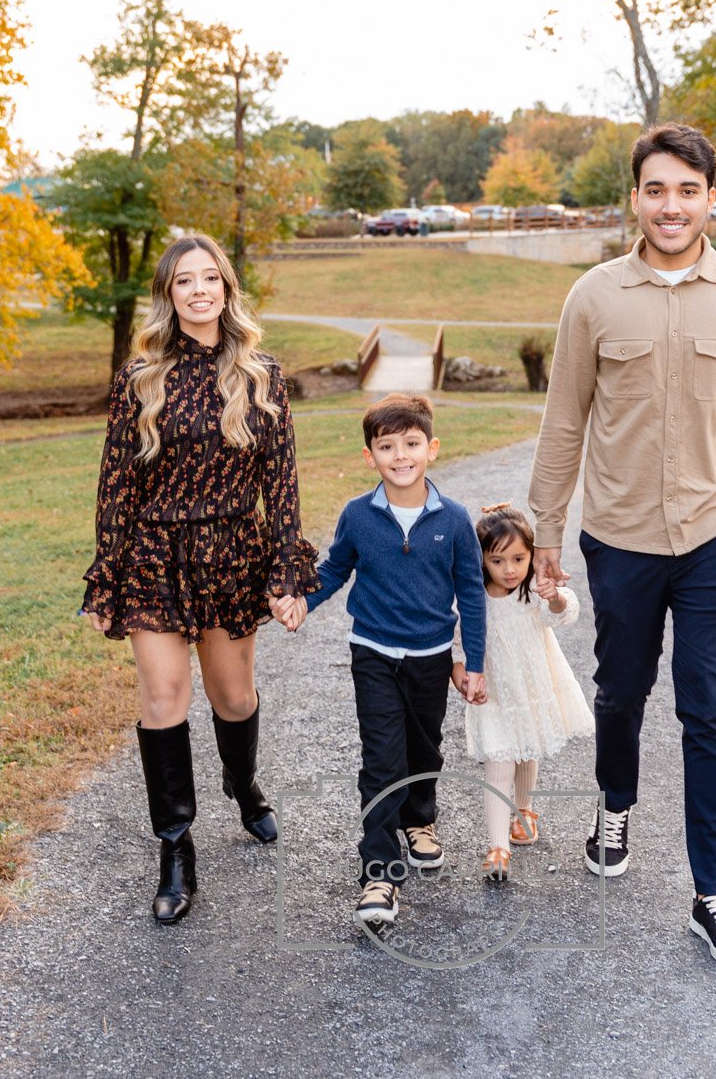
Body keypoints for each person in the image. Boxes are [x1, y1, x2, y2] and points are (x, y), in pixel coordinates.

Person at [529, 123, 716, 971]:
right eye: (656, 189)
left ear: (711, 197)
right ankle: (615, 804)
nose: (671, 206)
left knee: (710, 708)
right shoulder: (595, 298)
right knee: (621, 691)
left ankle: (714, 892)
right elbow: (563, 420)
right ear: (635, 198)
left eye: (687, 190)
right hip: (623, 536)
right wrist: (546, 530)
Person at [80, 233, 319, 925]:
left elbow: (282, 484)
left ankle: (243, 784)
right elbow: (116, 484)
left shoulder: (261, 375)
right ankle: (176, 849)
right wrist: (107, 573)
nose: (198, 290)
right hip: (154, 554)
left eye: (209, 278)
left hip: (231, 552)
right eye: (183, 281)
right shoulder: (140, 379)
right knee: (163, 697)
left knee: (233, 697)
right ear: (169, 294)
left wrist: (286, 571)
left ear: (226, 288)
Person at [274, 393, 486, 928]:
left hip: (431, 656)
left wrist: (474, 661)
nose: (400, 455)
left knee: (424, 748)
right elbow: (334, 568)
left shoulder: (454, 520)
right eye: (387, 446)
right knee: (382, 759)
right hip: (372, 652)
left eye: (411, 443)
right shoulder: (358, 515)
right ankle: (379, 873)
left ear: (432, 448)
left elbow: (471, 592)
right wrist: (303, 601)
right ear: (370, 456)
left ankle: (420, 820)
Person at [453, 503, 594, 881]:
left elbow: (564, 612)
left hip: (532, 689)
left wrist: (554, 597)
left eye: (518, 559)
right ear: (482, 560)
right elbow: (455, 641)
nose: (509, 569)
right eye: (498, 561)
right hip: (494, 695)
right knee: (500, 763)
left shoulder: (532, 589)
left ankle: (524, 809)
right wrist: (459, 674)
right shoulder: (474, 596)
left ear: (531, 555)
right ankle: (497, 847)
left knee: (527, 749)